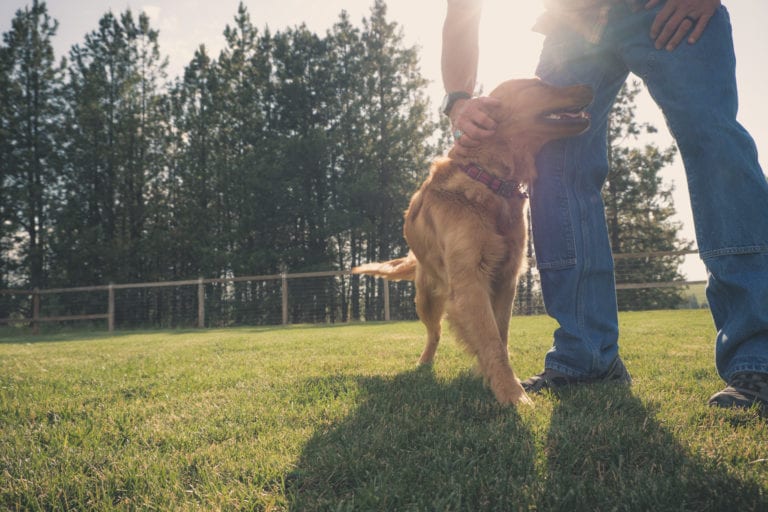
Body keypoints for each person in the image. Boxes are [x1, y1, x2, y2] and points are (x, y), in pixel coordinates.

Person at [440, 0, 768, 411]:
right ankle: (586, 355)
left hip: (665, 6)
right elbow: (463, 9)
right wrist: (457, 99)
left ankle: (759, 356)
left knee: (713, 142)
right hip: (571, 23)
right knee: (552, 163)